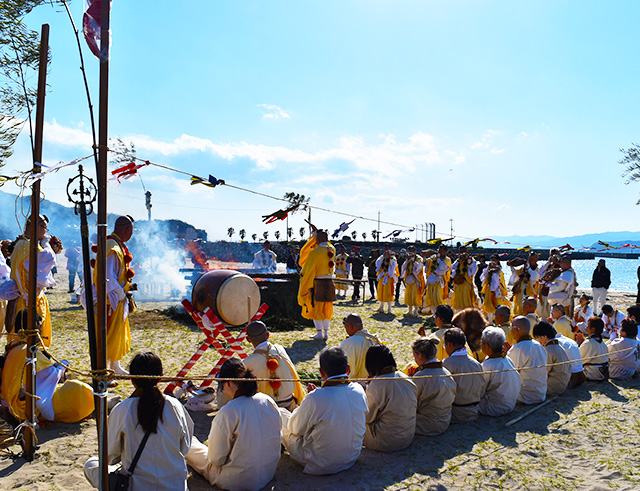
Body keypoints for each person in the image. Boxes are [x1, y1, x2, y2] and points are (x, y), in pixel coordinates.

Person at [85, 352, 194, 490]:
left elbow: (110, 454)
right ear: (159, 377)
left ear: (132, 379)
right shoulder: (175, 405)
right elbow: (185, 446)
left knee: (91, 464)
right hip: (175, 486)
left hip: (136, 486)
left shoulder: (123, 409)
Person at [187, 359, 281, 491]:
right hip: (268, 472)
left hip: (237, 482)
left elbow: (216, 460)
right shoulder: (267, 400)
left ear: (229, 383)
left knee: (191, 445)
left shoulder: (229, 411)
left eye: (222, 385)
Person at [280, 347, 368, 475]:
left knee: (280, 414)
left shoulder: (316, 398)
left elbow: (296, 429)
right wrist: (313, 398)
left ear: (321, 372)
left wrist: (308, 400)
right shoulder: (359, 390)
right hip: (351, 457)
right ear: (348, 369)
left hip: (321, 463)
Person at [2, 312, 94, 424]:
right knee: (79, 389)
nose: (41, 332)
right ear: (33, 328)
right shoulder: (29, 352)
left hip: (13, 402)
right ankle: (101, 403)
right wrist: (63, 365)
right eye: (39, 328)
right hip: (25, 407)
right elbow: (51, 375)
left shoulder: (14, 347)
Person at [94, 216, 136, 375]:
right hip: (110, 299)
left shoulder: (116, 245)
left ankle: (115, 365)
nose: (132, 234)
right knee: (108, 334)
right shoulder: (112, 246)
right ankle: (104, 369)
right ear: (126, 229)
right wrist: (119, 293)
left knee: (117, 332)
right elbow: (107, 276)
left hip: (116, 297)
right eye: (131, 230)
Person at [10, 214, 59, 347]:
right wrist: (47, 244)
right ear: (33, 226)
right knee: (29, 343)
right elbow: (48, 259)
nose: (45, 231)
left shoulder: (22, 244)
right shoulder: (28, 246)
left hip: (26, 299)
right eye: (44, 226)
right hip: (28, 302)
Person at [363, 345, 416, 452]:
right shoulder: (404, 377)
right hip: (408, 435)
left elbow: (368, 417)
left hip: (387, 441)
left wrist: (368, 389)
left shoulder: (378, 385)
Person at [242, 321, 306, 410]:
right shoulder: (280, 350)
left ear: (248, 339)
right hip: (289, 402)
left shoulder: (248, 362)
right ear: (268, 335)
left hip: (266, 407)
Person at [410, 337, 456, 435]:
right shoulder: (446, 372)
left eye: (414, 356)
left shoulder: (421, 376)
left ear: (420, 355)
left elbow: (411, 404)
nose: (414, 359)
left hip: (425, 425)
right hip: (445, 421)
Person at [298, 229, 336, 340]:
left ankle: (319, 333)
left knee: (317, 308)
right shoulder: (332, 249)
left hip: (318, 283)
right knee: (327, 308)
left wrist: (312, 239)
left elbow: (306, 265)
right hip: (329, 282)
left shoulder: (315, 252)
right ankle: (326, 333)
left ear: (317, 239)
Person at [442, 327, 487, 422]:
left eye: (444, 345)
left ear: (449, 345)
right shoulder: (476, 363)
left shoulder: (447, 364)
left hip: (456, 412)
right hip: (475, 410)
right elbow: (482, 389)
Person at [479, 327, 521, 416]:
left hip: (495, 407)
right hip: (511, 404)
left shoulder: (488, 365)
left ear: (487, 346)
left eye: (482, 342)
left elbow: (480, 390)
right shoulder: (507, 359)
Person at [507, 316, 548, 404]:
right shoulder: (538, 345)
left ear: (517, 330)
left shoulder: (517, 348)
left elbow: (509, 374)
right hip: (541, 394)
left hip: (525, 396)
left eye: (511, 327)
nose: (510, 331)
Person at [532, 322, 571, 396]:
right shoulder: (559, 347)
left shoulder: (548, 350)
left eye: (537, 338)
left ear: (544, 337)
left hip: (554, 387)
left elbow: (543, 372)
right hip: (563, 383)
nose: (537, 341)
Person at [338, 313, 380, 380]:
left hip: (351, 384)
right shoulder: (373, 341)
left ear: (351, 327)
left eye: (346, 327)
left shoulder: (346, 343)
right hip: (371, 382)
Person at [481, 256, 510, 323]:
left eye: (494, 260)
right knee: (490, 307)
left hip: (496, 292)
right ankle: (491, 321)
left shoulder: (498, 272)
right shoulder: (488, 271)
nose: (493, 262)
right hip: (490, 291)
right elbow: (482, 279)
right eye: (492, 260)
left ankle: (495, 321)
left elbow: (500, 282)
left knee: (494, 306)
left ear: (497, 261)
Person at [423, 247, 451, 314]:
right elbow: (427, 266)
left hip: (440, 280)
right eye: (439, 250)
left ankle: (440, 313)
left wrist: (438, 260)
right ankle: (433, 313)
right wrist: (428, 259)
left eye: (442, 250)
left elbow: (445, 268)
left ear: (445, 252)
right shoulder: (434, 257)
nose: (440, 252)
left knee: (438, 298)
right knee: (431, 297)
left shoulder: (447, 259)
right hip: (431, 279)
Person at [579, 317, 609, 381]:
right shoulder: (603, 343)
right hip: (603, 372)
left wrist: (578, 344)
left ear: (592, 329)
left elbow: (579, 359)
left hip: (592, 374)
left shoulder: (588, 343)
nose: (586, 328)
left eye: (588, 326)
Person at [400, 246, 425, 316]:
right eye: (409, 251)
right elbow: (403, 267)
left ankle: (416, 311)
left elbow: (419, 268)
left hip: (416, 279)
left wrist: (413, 261)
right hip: (409, 279)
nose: (410, 252)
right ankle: (409, 311)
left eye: (412, 251)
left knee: (416, 296)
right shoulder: (408, 258)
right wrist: (408, 261)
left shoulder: (419, 258)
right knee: (409, 295)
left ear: (415, 251)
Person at [375, 249, 399, 314]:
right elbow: (378, 265)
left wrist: (388, 273)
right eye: (385, 254)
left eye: (387, 254)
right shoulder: (382, 260)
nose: (386, 255)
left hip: (389, 279)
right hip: (382, 278)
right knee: (381, 292)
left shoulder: (393, 261)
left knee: (389, 293)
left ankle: (389, 309)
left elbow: (393, 270)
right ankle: (381, 307)